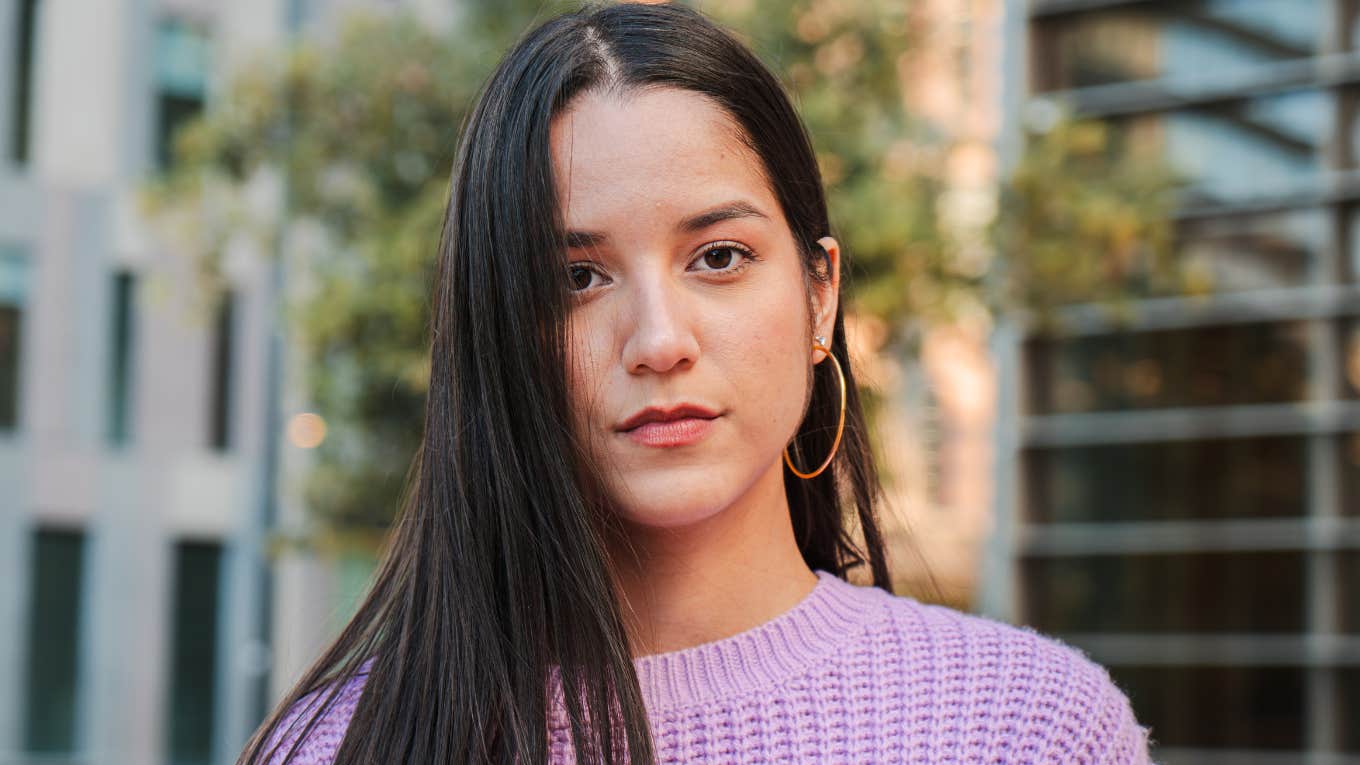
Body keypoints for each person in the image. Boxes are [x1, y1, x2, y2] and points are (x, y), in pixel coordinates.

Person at [239, 2, 1155, 763]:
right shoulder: (342, 746)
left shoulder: (1027, 727)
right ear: (499, 332)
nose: (659, 340)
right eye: (575, 278)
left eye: (718, 256)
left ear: (819, 295)